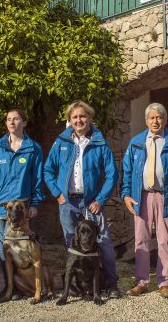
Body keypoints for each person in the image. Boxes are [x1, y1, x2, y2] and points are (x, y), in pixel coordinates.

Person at [44, 101, 120, 298]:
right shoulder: (61, 142)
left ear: (90, 118)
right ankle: (78, 285)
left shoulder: (99, 142)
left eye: (82, 116)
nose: (79, 120)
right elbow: (48, 170)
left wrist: (100, 200)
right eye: (75, 117)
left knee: (103, 241)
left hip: (92, 203)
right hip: (67, 203)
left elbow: (112, 174)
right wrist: (58, 194)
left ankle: (111, 285)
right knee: (72, 243)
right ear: (69, 120)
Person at [121, 103, 168, 298]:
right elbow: (126, 172)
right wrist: (126, 195)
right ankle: (141, 282)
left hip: (165, 197)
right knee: (141, 240)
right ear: (146, 121)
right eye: (151, 118)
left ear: (165, 120)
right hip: (140, 196)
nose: (155, 121)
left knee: (164, 241)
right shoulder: (136, 142)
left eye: (159, 117)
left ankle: (164, 282)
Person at [0, 109, 45, 294]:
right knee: (5, 249)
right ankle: (10, 286)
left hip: (22, 209)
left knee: (24, 248)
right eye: (9, 119)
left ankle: (24, 285)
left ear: (24, 122)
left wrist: (34, 203)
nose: (11, 122)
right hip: (2, 207)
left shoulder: (34, 148)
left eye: (16, 119)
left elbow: (37, 179)